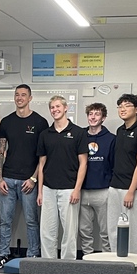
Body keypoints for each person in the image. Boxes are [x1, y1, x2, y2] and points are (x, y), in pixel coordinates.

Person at [0, 84, 46, 265]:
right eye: (17, 95)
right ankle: (2, 254)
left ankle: (33, 254)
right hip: (8, 179)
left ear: (30, 98)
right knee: (5, 221)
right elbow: (0, 152)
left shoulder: (40, 122)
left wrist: (33, 178)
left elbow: (43, 156)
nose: (20, 98)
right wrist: (0, 178)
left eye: (23, 95)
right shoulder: (6, 122)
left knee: (31, 221)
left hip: (28, 181)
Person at [37, 95, 87, 259]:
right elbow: (42, 164)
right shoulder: (45, 134)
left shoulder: (79, 133)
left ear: (66, 108)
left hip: (69, 189)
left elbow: (83, 163)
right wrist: (40, 192)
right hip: (48, 188)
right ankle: (48, 264)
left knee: (69, 232)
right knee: (47, 232)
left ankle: (68, 266)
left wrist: (77, 189)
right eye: (52, 107)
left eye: (58, 106)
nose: (55, 110)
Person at [107, 93, 137, 256]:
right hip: (115, 186)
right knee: (113, 228)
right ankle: (116, 264)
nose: (122, 109)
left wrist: (131, 191)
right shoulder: (120, 130)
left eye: (127, 105)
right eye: (120, 106)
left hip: (134, 189)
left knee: (134, 231)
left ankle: (136, 270)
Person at [78, 102, 115, 256]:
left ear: (103, 118)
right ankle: (87, 260)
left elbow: (114, 165)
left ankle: (107, 261)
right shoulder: (80, 135)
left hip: (103, 190)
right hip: (82, 191)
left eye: (97, 114)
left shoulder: (111, 139)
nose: (93, 117)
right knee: (84, 230)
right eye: (90, 114)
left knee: (106, 231)